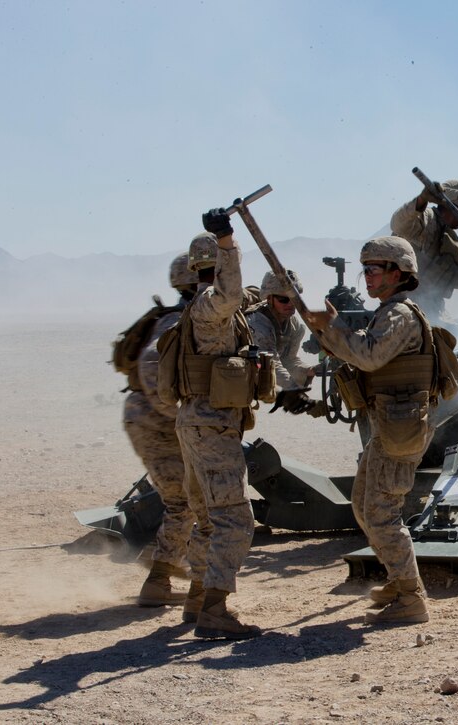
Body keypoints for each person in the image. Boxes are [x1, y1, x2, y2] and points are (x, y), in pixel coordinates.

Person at [303, 236, 435, 624]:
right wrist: (330, 332)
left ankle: (411, 599)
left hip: (401, 429)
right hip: (390, 427)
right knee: (363, 507)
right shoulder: (388, 312)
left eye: (374, 271)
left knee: (381, 515)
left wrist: (332, 327)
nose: (367, 279)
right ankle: (399, 581)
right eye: (366, 271)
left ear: (398, 273)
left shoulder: (399, 315)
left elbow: (369, 355)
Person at [173, 211, 261, 639]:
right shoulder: (210, 306)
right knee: (234, 520)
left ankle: (196, 598)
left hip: (197, 422)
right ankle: (214, 609)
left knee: (207, 518)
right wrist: (228, 240)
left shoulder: (199, 309)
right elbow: (229, 292)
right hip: (212, 426)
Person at [124, 254, 200, 608]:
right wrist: (183, 414)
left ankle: (165, 560)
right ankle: (158, 581)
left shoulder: (179, 318)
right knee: (183, 502)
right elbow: (151, 368)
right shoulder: (176, 321)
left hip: (154, 422)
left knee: (188, 499)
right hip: (156, 425)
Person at [389, 179, 458, 320]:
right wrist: (421, 200)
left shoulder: (450, 237)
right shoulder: (427, 220)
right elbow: (398, 224)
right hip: (406, 309)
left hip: (433, 310)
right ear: (452, 204)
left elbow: (457, 280)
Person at [249, 269, 316, 413]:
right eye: (283, 299)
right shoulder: (258, 324)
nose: (290, 304)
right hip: (241, 380)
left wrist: (309, 371)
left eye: (294, 298)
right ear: (269, 299)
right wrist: (296, 394)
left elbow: (289, 360)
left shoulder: (295, 327)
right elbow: (272, 363)